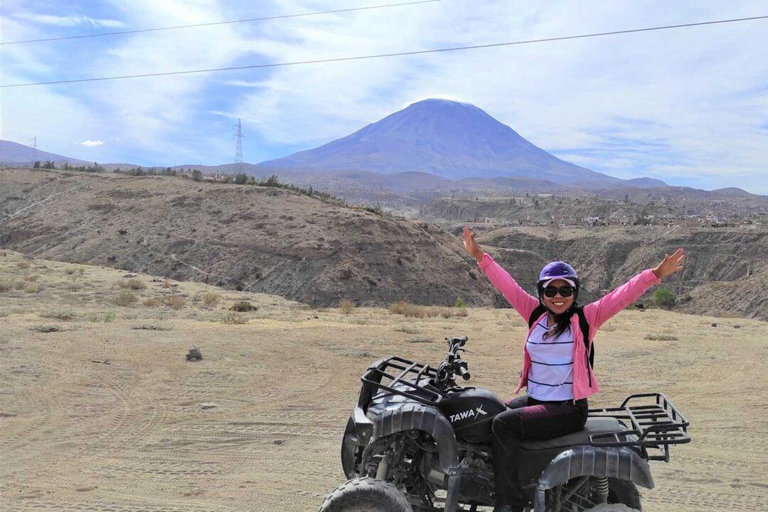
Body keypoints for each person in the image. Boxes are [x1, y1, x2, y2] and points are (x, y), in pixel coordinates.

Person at [461, 227, 685, 512]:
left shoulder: (585, 319)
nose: (558, 296)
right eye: (551, 290)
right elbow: (506, 285)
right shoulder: (533, 313)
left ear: (574, 292)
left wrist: (655, 273)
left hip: (567, 408)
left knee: (503, 425)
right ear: (541, 293)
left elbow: (621, 296)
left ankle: (511, 503)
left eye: (565, 290)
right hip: (537, 400)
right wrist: (479, 255)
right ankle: (498, 480)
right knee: (491, 411)